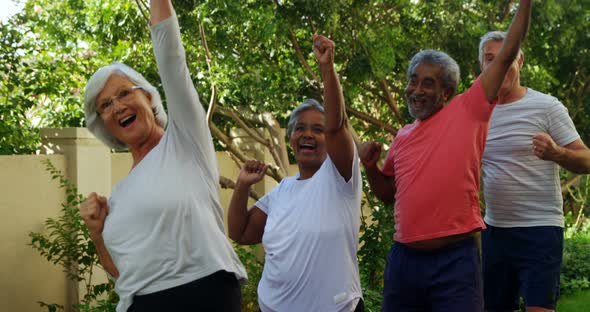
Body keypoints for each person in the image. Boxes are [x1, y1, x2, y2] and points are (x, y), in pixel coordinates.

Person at [358, 1, 532, 311]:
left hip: (455, 261)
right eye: (413, 80)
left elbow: (506, 54)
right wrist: (370, 166)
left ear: (447, 93)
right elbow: (387, 194)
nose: (417, 89)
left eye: (429, 83)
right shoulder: (403, 136)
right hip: (404, 261)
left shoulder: (468, 110)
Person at [79, 1, 246, 311]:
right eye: (105, 105)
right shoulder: (120, 195)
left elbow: (171, 56)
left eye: (125, 93)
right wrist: (97, 233)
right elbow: (122, 276)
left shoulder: (185, 141)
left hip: (203, 296)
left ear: (149, 97)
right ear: (103, 125)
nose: (117, 106)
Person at [227, 34, 363, 312]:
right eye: (300, 128)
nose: (308, 135)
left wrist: (327, 69)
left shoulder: (339, 177)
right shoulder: (282, 191)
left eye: (318, 129)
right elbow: (239, 232)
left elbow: (337, 127)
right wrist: (242, 185)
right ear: (290, 138)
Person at [479, 30, 590, 312]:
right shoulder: (477, 112)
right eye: (490, 58)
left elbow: (586, 160)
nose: (498, 65)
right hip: (494, 231)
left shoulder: (546, 106)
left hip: (539, 230)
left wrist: (557, 153)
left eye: (506, 58)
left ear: (521, 60)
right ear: (481, 64)